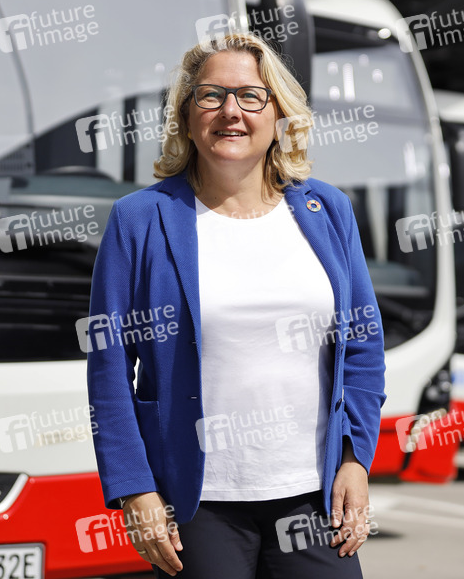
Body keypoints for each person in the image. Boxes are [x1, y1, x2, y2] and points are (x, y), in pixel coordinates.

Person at [86, 32, 386, 579]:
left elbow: (363, 345)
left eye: (251, 96)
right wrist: (135, 488)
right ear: (186, 115)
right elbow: (108, 366)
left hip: (312, 495)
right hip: (198, 503)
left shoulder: (328, 210)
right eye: (211, 96)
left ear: (278, 114)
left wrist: (355, 459)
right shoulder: (139, 219)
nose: (231, 112)